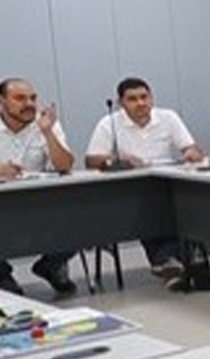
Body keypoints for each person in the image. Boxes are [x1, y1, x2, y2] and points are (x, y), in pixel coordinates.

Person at [0, 79, 77, 295]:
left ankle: (51, 265)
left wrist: (48, 133)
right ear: (1, 101)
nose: (29, 104)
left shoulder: (45, 124)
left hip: (39, 202)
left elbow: (65, 165)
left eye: (32, 98)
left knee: (83, 213)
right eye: (20, 98)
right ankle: (0, 275)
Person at [84, 77, 202, 277]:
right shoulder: (109, 123)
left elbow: (192, 149)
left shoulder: (168, 117)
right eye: (132, 99)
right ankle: (167, 259)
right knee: (149, 206)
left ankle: (167, 261)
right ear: (121, 103)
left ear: (151, 98)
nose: (140, 103)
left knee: (180, 205)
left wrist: (191, 153)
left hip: (166, 182)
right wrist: (116, 160)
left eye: (144, 97)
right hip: (130, 189)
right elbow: (91, 160)